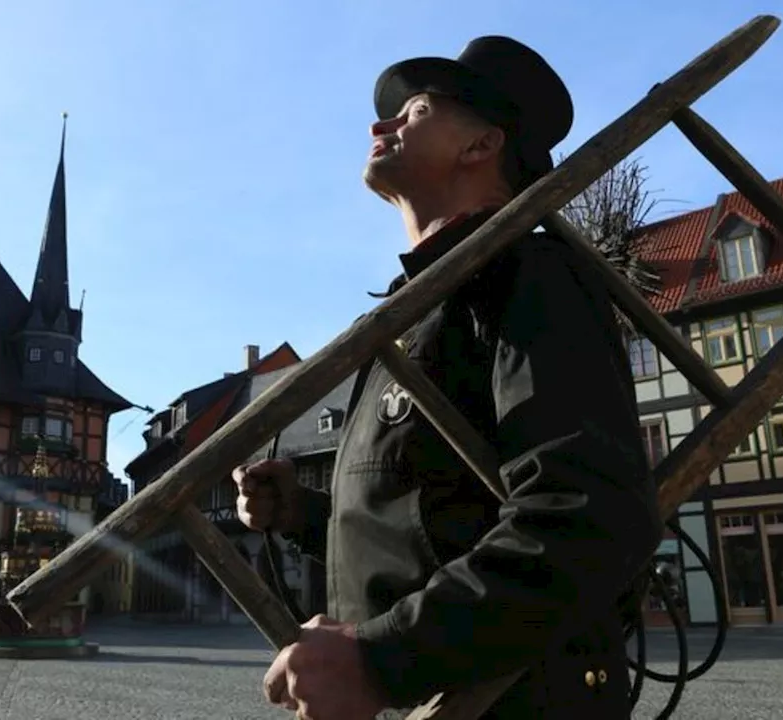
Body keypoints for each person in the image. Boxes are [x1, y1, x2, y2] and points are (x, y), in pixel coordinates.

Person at [234, 36, 661, 720]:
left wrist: (383, 658)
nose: (383, 124)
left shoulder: (530, 276)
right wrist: (305, 516)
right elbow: (432, 513)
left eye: (416, 109)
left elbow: (588, 517)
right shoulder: (418, 312)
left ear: (480, 145)